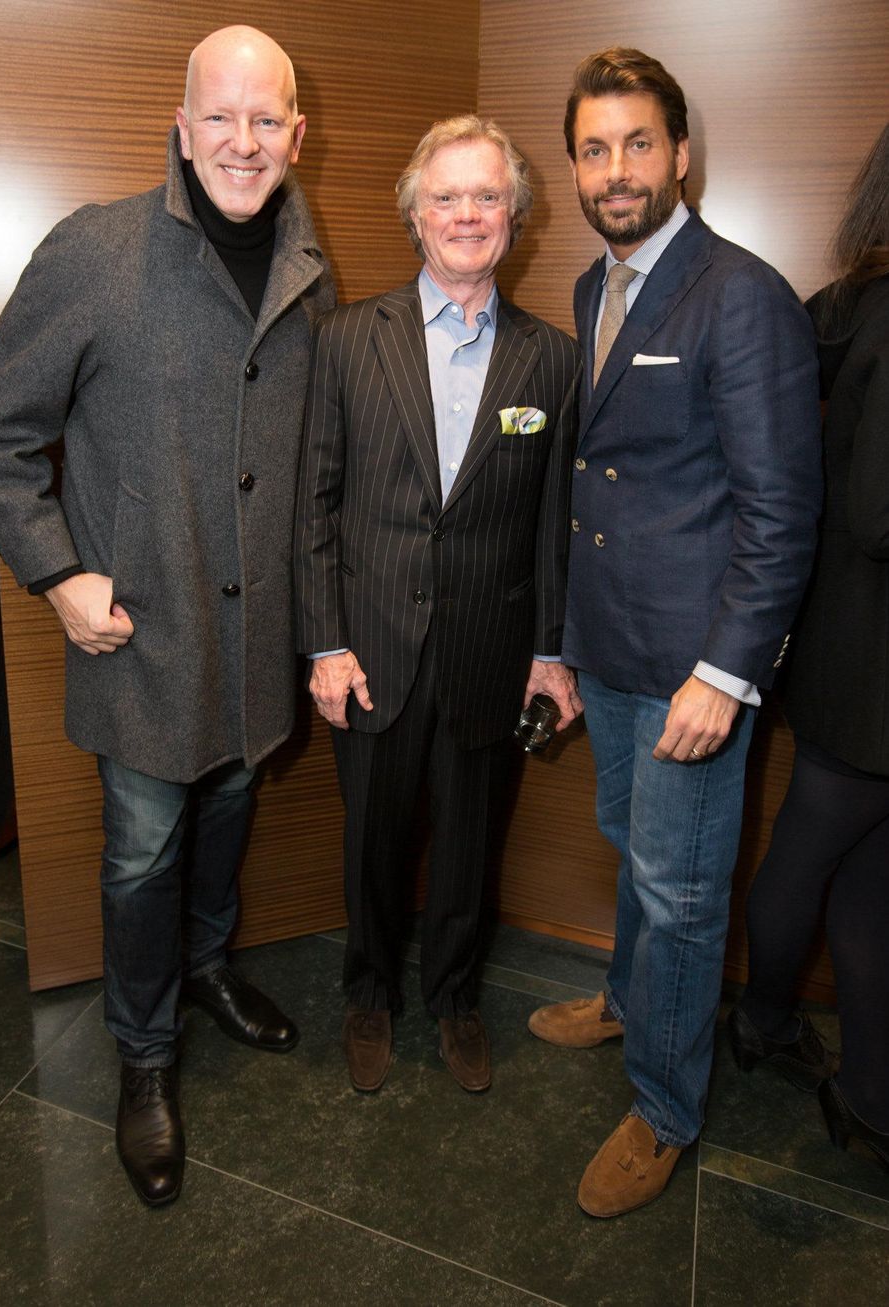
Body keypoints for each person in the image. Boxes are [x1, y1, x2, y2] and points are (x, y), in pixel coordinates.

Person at [0, 26, 336, 1207]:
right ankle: (142, 1051)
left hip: (254, 635)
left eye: (264, 118)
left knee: (227, 807)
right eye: (218, 116)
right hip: (141, 637)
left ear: (296, 133)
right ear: (180, 126)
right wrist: (58, 574)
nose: (242, 140)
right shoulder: (98, 248)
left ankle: (208, 967)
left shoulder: (309, 268)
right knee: (141, 852)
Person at [527, 48, 821, 1216]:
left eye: (636, 143)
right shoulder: (592, 287)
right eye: (592, 148)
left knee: (683, 890)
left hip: (691, 670)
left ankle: (662, 1106)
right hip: (608, 649)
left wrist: (725, 673)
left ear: (680, 153)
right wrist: (561, 645)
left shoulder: (739, 293)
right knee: (634, 851)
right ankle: (627, 999)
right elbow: (602, 480)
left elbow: (779, 511)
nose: (615, 170)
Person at [295, 115, 581, 1096]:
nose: (467, 213)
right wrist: (324, 645)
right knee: (371, 838)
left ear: (515, 215)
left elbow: (553, 526)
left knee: (469, 842)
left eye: (487, 195)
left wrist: (550, 652)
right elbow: (313, 504)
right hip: (370, 649)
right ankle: (368, 991)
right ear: (415, 215)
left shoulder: (553, 362)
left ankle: (455, 997)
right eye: (446, 196)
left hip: (488, 651)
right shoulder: (345, 340)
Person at [730, 124, 889, 1173]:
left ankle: (866, 1092)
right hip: (868, 659)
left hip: (844, 644)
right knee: (816, 852)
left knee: (863, 869)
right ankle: (763, 1021)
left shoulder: (846, 300)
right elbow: (878, 512)